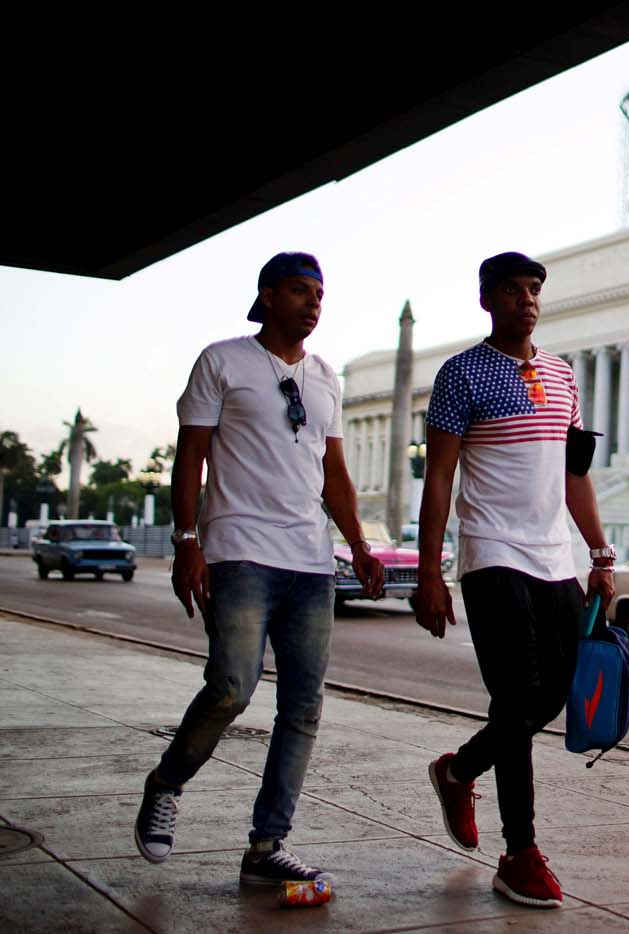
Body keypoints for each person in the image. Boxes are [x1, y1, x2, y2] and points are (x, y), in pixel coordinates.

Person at [135, 252, 385, 886]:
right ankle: (167, 783)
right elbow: (189, 456)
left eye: (319, 294)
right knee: (230, 688)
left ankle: (266, 845)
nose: (313, 303)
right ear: (268, 297)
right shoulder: (223, 361)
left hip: (309, 560)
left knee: (303, 706)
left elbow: (334, 474)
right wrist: (186, 541)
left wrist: (357, 544)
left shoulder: (326, 377)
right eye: (300, 291)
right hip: (237, 550)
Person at [413, 251, 615, 911]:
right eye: (512, 289)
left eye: (533, 288)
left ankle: (460, 768)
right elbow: (439, 477)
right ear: (487, 299)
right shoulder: (461, 375)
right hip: (492, 554)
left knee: (550, 699)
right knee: (517, 697)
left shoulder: (561, 375)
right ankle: (519, 852)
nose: (527, 299)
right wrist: (430, 572)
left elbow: (574, 473)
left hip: (556, 557)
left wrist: (600, 553)